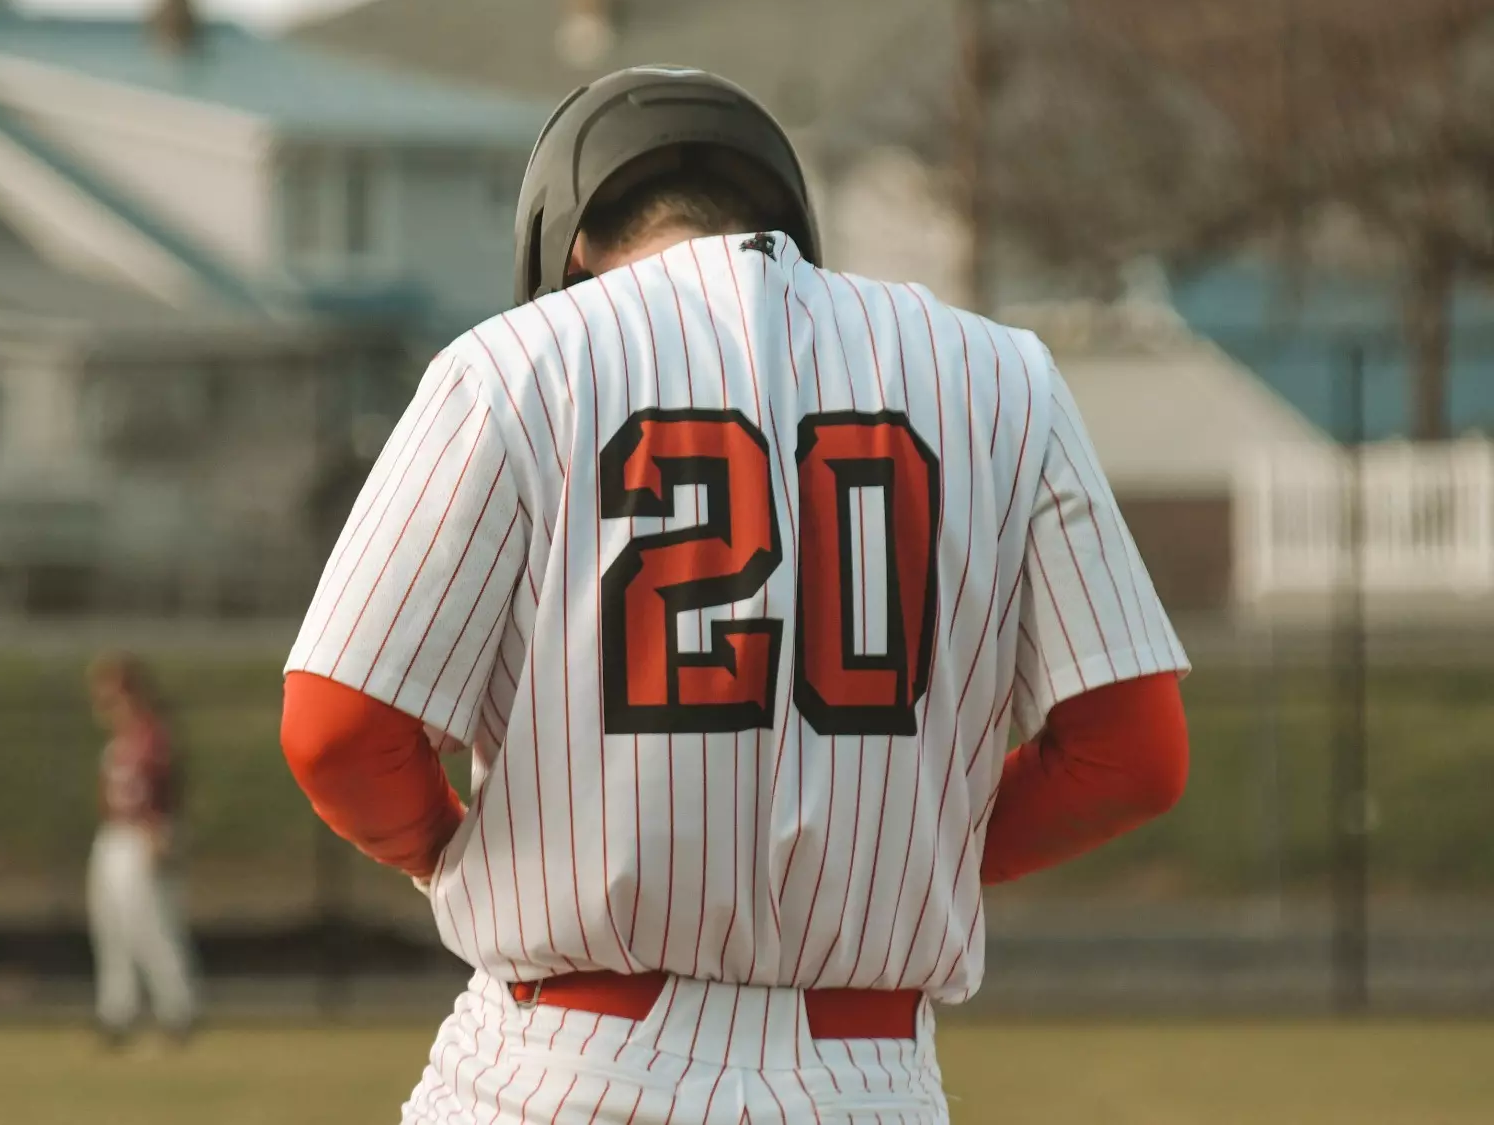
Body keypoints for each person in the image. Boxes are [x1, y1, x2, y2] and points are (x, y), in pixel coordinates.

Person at [280, 66, 1191, 1124]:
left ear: (564, 246)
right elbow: (1133, 755)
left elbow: (338, 731)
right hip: (865, 1080)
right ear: (788, 223)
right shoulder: (1000, 374)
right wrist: (894, 856)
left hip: (569, 1063)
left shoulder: (513, 364)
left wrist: (439, 852)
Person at [85, 652, 200, 1047]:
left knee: (151, 926)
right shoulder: (119, 740)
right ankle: (117, 1011)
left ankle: (177, 1010)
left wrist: (160, 833)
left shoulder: (153, 735)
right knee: (112, 927)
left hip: (143, 836)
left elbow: (166, 791)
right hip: (114, 835)